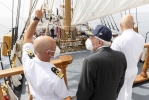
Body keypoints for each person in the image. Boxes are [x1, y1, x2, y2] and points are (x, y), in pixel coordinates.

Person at [22, 5, 70, 100]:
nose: (56, 48)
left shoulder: (28, 59)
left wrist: (37, 18)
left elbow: (27, 38)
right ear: (48, 53)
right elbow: (65, 97)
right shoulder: (56, 76)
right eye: (54, 47)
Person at [76, 25, 127, 100]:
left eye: (91, 39)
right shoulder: (121, 56)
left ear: (99, 42)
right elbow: (120, 82)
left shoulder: (90, 61)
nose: (90, 41)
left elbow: (84, 92)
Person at [111, 14, 145, 100]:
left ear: (121, 25)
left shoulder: (118, 40)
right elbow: (140, 54)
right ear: (133, 24)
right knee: (128, 89)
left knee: (120, 93)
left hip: (122, 71)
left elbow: (112, 58)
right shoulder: (141, 37)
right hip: (134, 68)